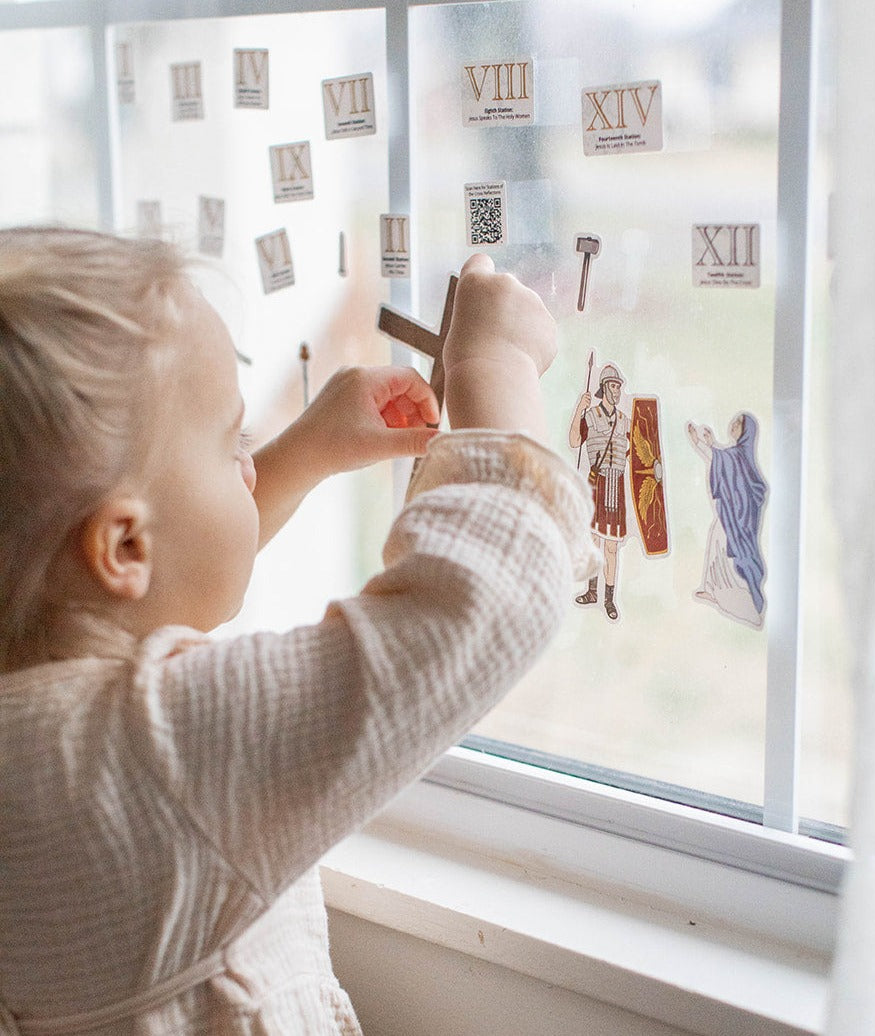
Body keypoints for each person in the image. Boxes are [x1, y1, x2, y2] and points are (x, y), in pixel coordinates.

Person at [0, 226, 595, 1034]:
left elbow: (137, 598)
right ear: (125, 545)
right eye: (231, 445)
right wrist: (495, 370)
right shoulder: (164, 752)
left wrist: (302, 454)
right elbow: (482, 601)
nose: (249, 464)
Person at [686, 412, 768, 628]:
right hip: (732, 515)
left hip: (738, 521)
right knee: (716, 538)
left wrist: (699, 442)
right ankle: (711, 587)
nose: (732, 424)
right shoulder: (737, 455)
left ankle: (730, 595)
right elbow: (722, 460)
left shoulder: (740, 456)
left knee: (721, 540)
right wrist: (711, 443)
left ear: (745, 431)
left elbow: (720, 460)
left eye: (738, 423)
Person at [568, 363, 630, 621]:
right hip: (598, 482)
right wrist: (579, 410)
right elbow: (573, 441)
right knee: (594, 543)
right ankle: (592, 591)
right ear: (604, 388)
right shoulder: (591, 416)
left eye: (619, 386)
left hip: (617, 485)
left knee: (612, 548)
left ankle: (609, 599)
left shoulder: (626, 420)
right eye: (613, 386)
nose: (617, 390)